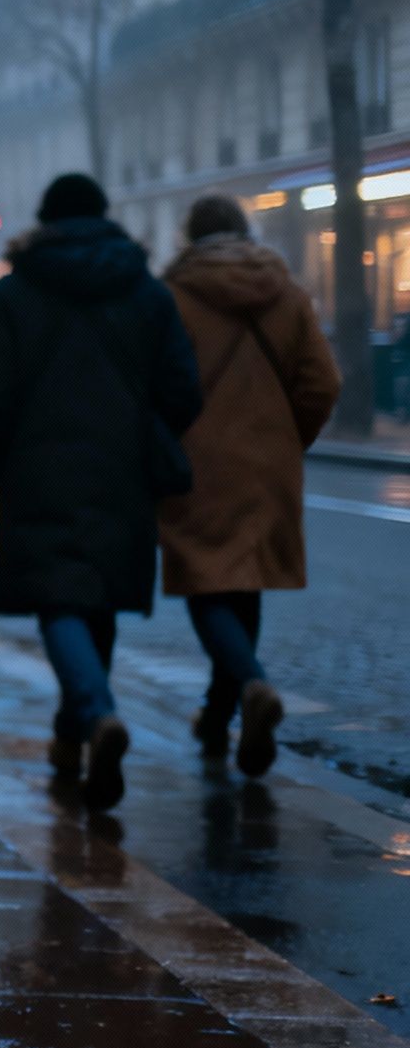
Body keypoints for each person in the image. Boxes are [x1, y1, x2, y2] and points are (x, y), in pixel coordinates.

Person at [0, 173, 200, 813]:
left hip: (38, 465)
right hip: (121, 466)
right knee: (96, 599)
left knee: (58, 598)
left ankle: (94, 715)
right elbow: (183, 388)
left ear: (43, 220)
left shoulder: (13, 294)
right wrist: (143, 432)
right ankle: (75, 737)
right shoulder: (146, 292)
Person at [158, 195, 339, 775]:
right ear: (245, 230)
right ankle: (219, 712)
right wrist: (288, 440)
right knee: (246, 582)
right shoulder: (286, 293)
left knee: (206, 585)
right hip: (268, 463)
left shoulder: (174, 296)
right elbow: (322, 383)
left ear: (190, 234)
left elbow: (155, 383)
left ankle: (251, 687)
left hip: (198, 460)